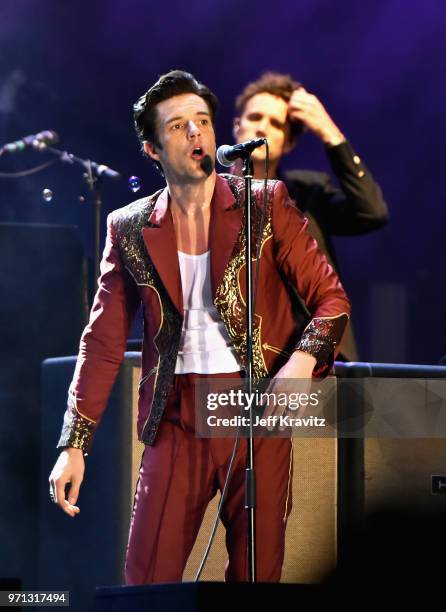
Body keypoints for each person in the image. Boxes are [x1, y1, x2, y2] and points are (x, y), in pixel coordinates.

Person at [48, 70, 350, 583]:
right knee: (145, 580)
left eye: (203, 122)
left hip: (254, 408)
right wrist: (73, 444)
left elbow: (331, 300)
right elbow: (101, 342)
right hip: (176, 415)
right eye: (178, 125)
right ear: (152, 149)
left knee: (256, 577)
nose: (195, 134)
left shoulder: (265, 203)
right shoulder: (129, 228)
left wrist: (299, 365)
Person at [232, 72, 388, 361]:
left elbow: (372, 212)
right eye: (255, 118)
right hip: (236, 365)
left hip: (315, 362)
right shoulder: (207, 200)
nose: (262, 128)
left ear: (289, 143)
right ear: (237, 126)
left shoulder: (309, 193)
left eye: (276, 123)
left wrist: (329, 132)